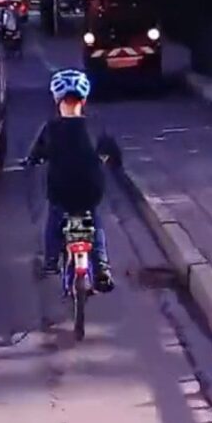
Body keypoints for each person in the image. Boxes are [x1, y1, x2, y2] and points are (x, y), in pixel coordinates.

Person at [26, 68, 121, 292]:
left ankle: (50, 261)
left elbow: (37, 153)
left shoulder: (50, 129)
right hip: (90, 191)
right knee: (95, 222)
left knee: (54, 218)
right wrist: (111, 161)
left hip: (61, 191)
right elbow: (113, 153)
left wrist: (32, 160)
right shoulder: (95, 127)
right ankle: (103, 268)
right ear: (84, 99)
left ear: (57, 100)